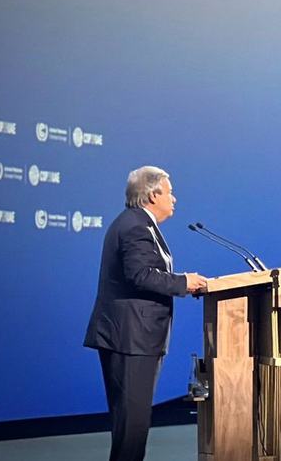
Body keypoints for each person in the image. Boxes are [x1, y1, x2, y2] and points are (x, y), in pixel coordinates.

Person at [83, 166, 209, 461]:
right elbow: (139, 275)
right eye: (170, 191)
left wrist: (182, 282)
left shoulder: (137, 223)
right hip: (130, 339)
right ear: (153, 195)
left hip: (132, 337)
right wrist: (183, 282)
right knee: (132, 427)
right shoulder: (136, 226)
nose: (174, 199)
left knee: (130, 426)